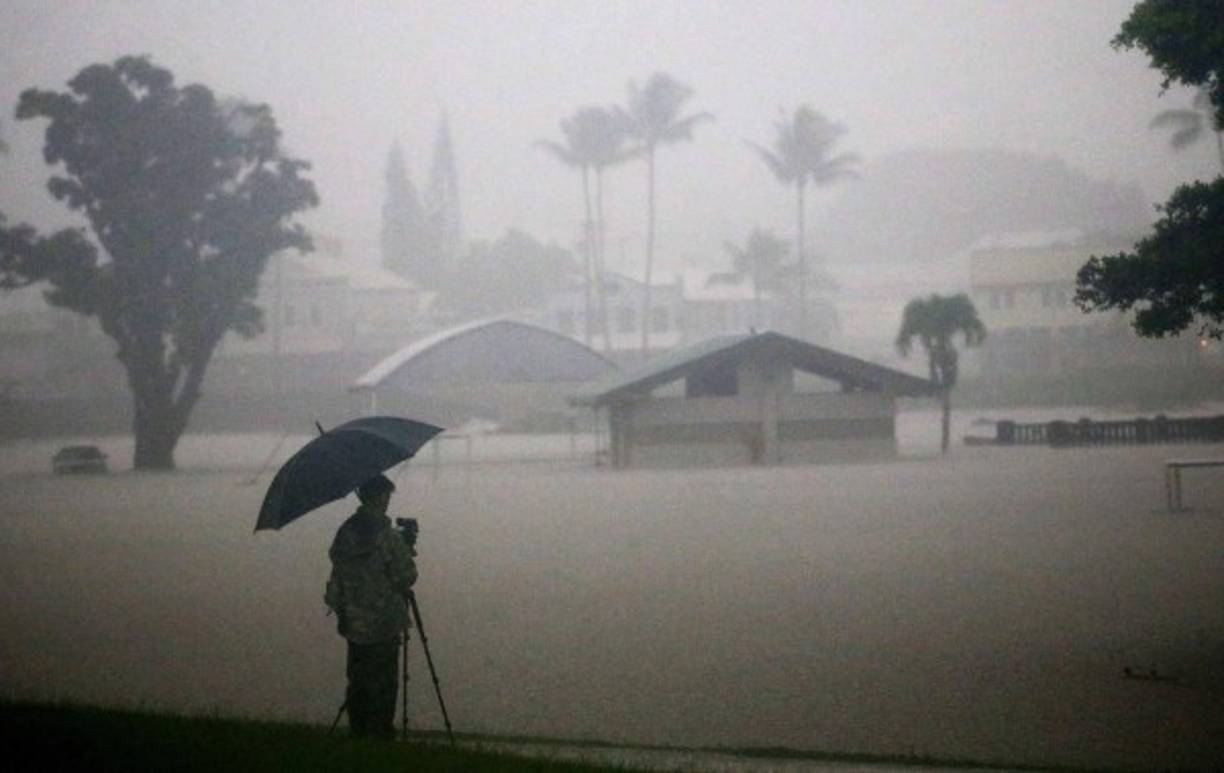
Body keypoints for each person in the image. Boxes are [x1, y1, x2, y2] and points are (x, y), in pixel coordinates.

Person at [324, 474, 417, 739]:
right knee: (385, 681)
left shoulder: (345, 532)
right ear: (378, 497)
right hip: (383, 621)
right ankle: (382, 734)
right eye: (387, 496)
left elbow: (340, 567)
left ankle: (359, 730)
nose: (388, 502)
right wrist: (405, 547)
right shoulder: (386, 536)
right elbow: (406, 576)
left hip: (353, 621)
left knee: (358, 679)